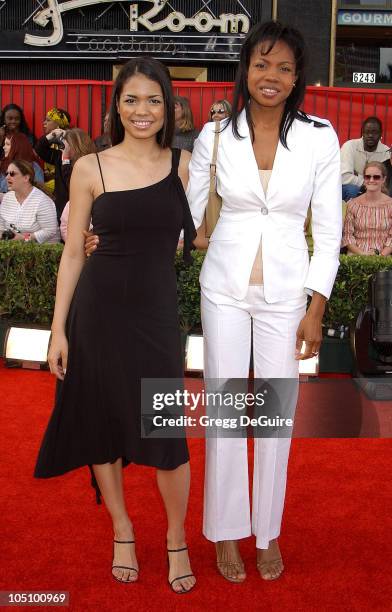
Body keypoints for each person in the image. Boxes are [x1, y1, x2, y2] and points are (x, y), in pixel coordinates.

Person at [186, 20, 342, 583]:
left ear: (298, 76)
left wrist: (315, 309)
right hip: (224, 288)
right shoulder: (215, 136)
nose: (270, 76)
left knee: (276, 419)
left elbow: (328, 232)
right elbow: (183, 212)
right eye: (261, 63)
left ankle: (266, 532)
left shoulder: (321, 137)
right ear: (245, 70)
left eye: (283, 66)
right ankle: (227, 532)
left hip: (286, 295)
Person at [34, 57, 196, 594]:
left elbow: (207, 231)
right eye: (131, 100)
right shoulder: (90, 168)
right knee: (103, 421)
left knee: (166, 432)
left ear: (169, 106)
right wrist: (59, 329)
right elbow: (73, 255)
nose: (142, 110)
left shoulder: (186, 164)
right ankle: (122, 529)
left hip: (155, 315)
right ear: (116, 106)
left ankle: (176, 537)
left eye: (153, 100)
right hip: (97, 313)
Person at [0, 160, 59, 243]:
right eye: (7, 174)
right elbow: (1, 226)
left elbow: (49, 232)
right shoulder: (7, 198)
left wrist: (24, 238)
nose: (7, 177)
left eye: (12, 174)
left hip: (42, 251)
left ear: (26, 178)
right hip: (14, 248)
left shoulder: (42, 201)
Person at [342, 161, 392, 256]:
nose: (371, 180)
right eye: (368, 177)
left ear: (384, 179)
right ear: (364, 179)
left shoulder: (390, 205)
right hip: (356, 256)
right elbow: (347, 237)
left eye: (376, 177)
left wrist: (381, 256)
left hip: (384, 257)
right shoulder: (353, 204)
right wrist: (363, 254)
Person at [341, 116, 390, 202]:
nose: (370, 135)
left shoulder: (386, 152)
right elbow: (344, 177)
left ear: (380, 134)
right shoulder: (350, 146)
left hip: (375, 189)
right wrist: (369, 182)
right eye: (367, 132)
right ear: (362, 133)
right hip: (349, 187)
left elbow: (385, 182)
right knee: (353, 190)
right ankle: (353, 214)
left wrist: (357, 176)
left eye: (374, 132)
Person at [35, 108, 71, 204]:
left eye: (48, 120)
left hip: (63, 186)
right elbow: (39, 149)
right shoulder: (51, 142)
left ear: (58, 123)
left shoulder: (68, 142)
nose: (44, 123)